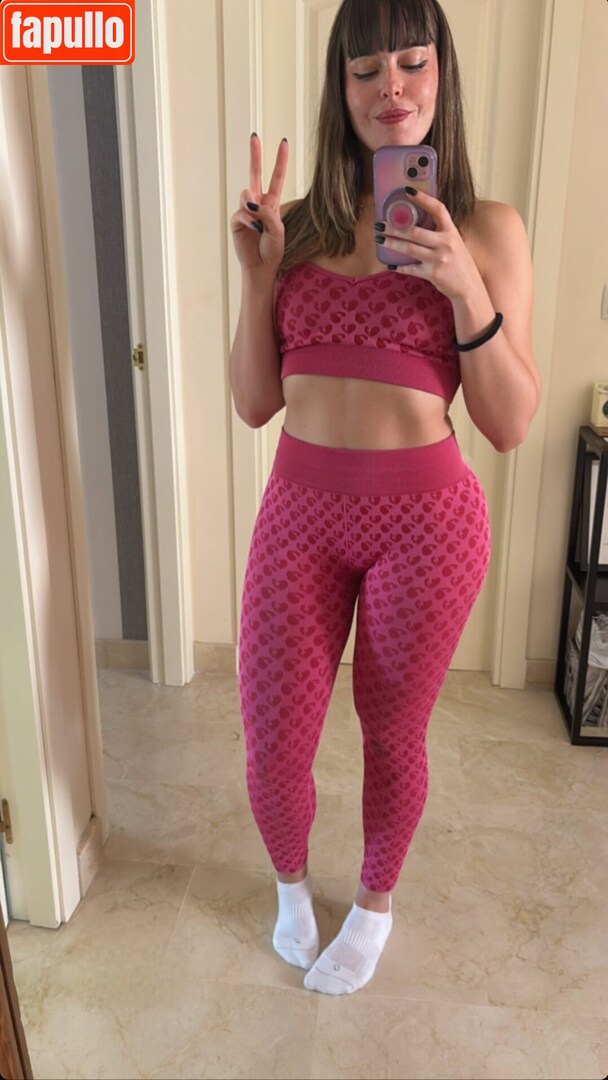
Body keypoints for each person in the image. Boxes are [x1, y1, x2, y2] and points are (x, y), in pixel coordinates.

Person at [229, 0, 540, 996]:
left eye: (411, 62)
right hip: (298, 515)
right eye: (365, 69)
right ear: (341, 88)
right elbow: (254, 405)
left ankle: (372, 906)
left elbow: (509, 422)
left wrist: (466, 287)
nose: (390, 87)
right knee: (272, 735)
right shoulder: (301, 231)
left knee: (391, 729)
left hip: (428, 526)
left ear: (441, 73)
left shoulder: (485, 227)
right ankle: (290, 890)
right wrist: (258, 277)